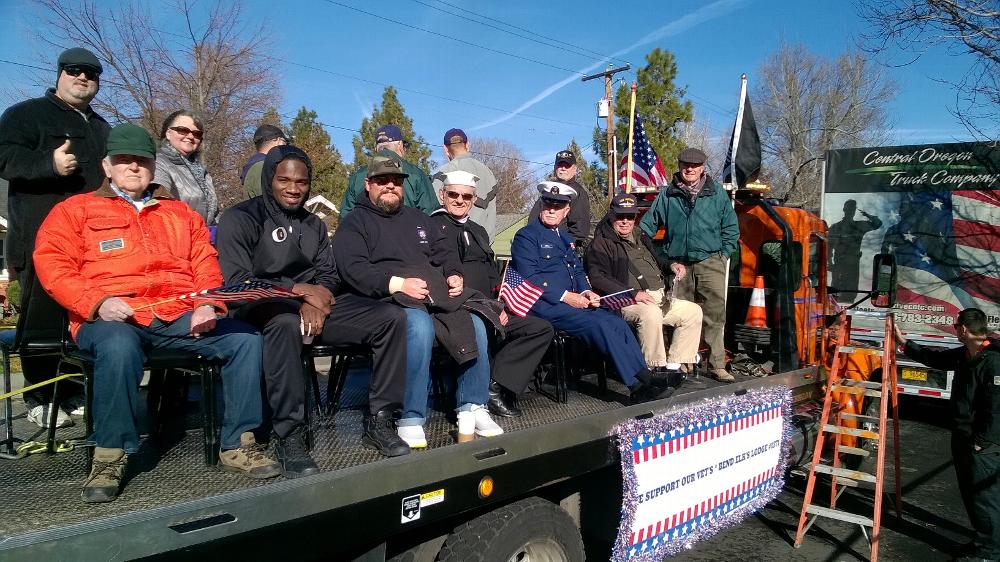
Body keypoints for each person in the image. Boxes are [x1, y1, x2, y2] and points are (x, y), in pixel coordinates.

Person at [32, 123, 279, 503]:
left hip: (175, 313)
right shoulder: (75, 211)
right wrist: (97, 301)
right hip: (109, 317)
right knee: (118, 347)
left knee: (244, 339)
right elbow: (53, 265)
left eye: (142, 160)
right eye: (124, 160)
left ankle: (239, 442)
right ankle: (110, 455)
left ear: (153, 166)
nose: (134, 167)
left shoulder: (180, 214)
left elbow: (205, 262)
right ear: (107, 166)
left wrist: (207, 304)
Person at [216, 145, 411, 471]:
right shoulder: (241, 218)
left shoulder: (313, 225)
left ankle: (380, 419)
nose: (294, 188)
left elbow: (329, 276)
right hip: (263, 307)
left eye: (302, 182)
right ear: (269, 179)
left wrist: (317, 301)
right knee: (285, 324)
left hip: (315, 306)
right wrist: (297, 293)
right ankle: (289, 434)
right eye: (284, 180)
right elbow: (238, 283)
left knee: (390, 317)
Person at [332, 155, 503, 448]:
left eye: (396, 181)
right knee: (418, 325)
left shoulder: (419, 219)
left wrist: (453, 273)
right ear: (368, 184)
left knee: (475, 320)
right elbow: (353, 269)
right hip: (384, 297)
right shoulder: (354, 223)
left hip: (431, 293)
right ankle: (410, 416)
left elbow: (444, 252)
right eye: (383, 181)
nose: (390, 186)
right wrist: (399, 284)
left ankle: (472, 405)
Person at [0, 47, 111, 428]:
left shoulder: (101, 128)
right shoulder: (25, 115)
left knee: (82, 318)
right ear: (60, 73)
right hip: (41, 242)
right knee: (43, 322)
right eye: (75, 70)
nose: (83, 78)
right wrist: (47, 163)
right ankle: (40, 396)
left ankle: (73, 389)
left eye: (92, 74)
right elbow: (3, 158)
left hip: (91, 245)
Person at [511, 182, 674, 404]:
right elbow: (530, 277)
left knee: (615, 322)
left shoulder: (564, 237)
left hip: (571, 303)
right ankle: (636, 386)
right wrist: (567, 296)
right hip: (544, 305)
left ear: (566, 210)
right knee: (600, 324)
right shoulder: (527, 236)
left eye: (558, 206)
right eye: (548, 204)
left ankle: (644, 376)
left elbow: (577, 271)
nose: (552, 210)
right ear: (541, 205)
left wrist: (586, 291)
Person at [429, 170, 553, 417]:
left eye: (467, 196)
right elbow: (437, 276)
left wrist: (501, 305)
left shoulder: (478, 230)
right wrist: (489, 309)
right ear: (442, 195)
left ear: (474, 200)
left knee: (540, 328)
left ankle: (496, 384)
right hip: (458, 309)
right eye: (453, 194)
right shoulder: (433, 227)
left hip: (490, 307)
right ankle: (480, 392)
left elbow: (492, 275)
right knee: (480, 329)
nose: (460, 200)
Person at [894, 308, 1000, 561]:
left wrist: (982, 442)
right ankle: (982, 542)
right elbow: (936, 359)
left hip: (982, 444)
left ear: (963, 329)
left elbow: (996, 410)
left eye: (956, 326)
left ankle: (990, 552)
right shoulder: (966, 354)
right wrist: (904, 343)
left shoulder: (993, 361)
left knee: (984, 497)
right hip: (964, 436)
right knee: (972, 496)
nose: (955, 330)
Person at [639, 147, 739, 382]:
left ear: (703, 168)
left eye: (695, 166)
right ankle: (681, 364)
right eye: (686, 165)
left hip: (710, 262)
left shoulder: (716, 193)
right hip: (679, 265)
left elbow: (731, 229)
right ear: (679, 166)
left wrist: (723, 255)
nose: (690, 169)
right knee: (678, 315)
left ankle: (716, 365)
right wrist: (660, 258)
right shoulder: (667, 195)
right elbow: (645, 230)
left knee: (714, 316)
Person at [586, 192, 703, 375]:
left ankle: (675, 367)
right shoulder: (601, 244)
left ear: (635, 217)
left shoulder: (641, 236)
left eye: (630, 216)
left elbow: (659, 260)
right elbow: (598, 277)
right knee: (650, 313)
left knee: (693, 312)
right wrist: (633, 293)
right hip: (626, 301)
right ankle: (652, 369)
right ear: (611, 215)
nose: (625, 221)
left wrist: (672, 265)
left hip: (659, 297)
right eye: (620, 216)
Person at [339, 125, 438, 217]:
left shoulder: (358, 176)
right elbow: (431, 214)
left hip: (366, 229)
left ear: (376, 148)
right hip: (408, 228)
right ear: (400, 145)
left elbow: (346, 216)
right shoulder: (416, 174)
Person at [431, 128, 499, 241]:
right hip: (482, 244)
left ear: (445, 149)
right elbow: (491, 214)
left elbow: (432, 211)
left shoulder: (442, 174)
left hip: (449, 244)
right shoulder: (488, 173)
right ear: (467, 145)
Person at [152, 110, 218, 226]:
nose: (191, 136)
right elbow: (159, 209)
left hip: (203, 234)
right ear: (168, 133)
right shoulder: (158, 164)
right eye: (183, 130)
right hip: (177, 233)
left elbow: (212, 213)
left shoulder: (201, 170)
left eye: (196, 134)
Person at [528, 150, 592, 245]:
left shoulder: (578, 193)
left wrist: (570, 243)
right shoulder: (548, 190)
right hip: (537, 241)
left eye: (567, 165)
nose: (563, 168)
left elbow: (580, 228)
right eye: (560, 165)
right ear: (555, 168)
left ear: (574, 169)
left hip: (560, 245)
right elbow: (534, 218)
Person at [828, 199, 881, 302]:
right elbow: (829, 247)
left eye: (852, 209)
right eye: (848, 208)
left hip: (853, 265)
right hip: (839, 264)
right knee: (836, 293)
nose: (850, 211)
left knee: (851, 293)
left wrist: (867, 215)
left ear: (854, 211)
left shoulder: (859, 226)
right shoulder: (835, 227)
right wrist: (830, 263)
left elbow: (878, 224)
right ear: (844, 209)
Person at [240, 124, 288, 200]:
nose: (286, 146)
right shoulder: (263, 167)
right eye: (284, 142)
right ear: (277, 140)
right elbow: (272, 202)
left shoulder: (255, 165)